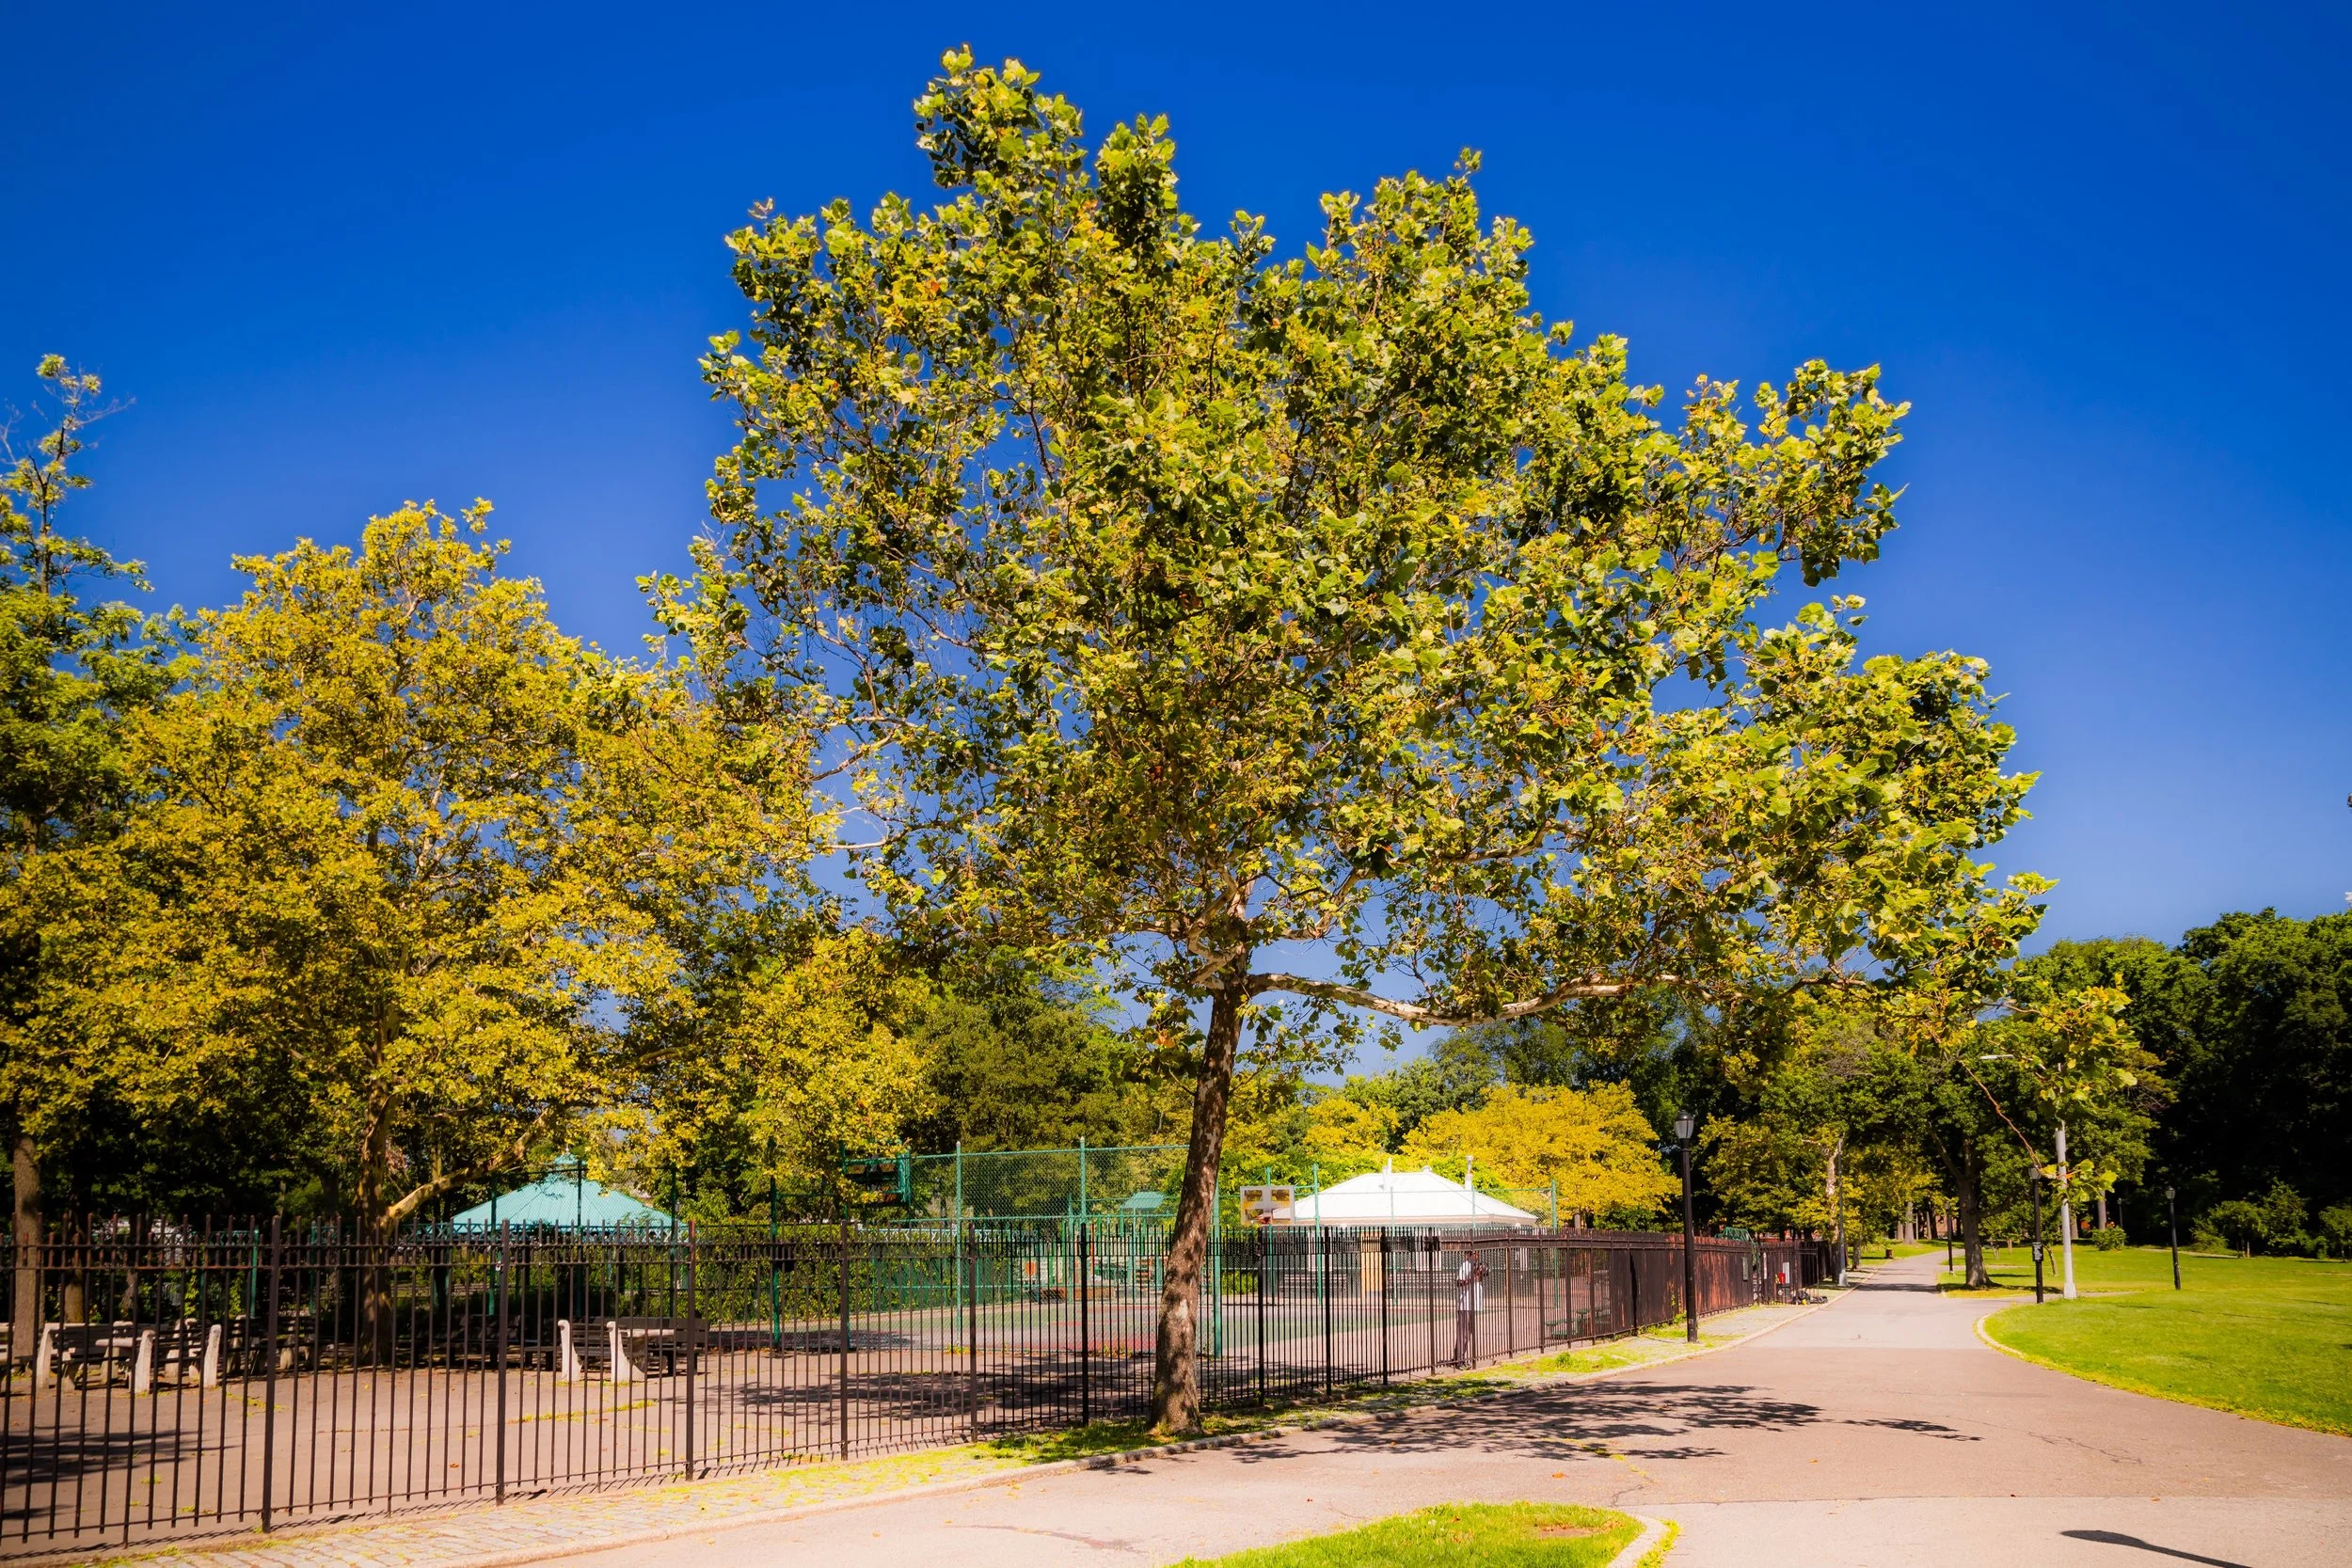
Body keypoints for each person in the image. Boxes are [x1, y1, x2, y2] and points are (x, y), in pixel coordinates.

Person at [1451, 1250, 1489, 1367]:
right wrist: (1471, 1279)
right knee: (1463, 1333)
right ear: (1468, 1255)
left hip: (1474, 1304)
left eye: (1477, 1254)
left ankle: (1458, 1358)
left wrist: (1481, 1273)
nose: (1476, 1256)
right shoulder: (1465, 1265)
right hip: (1465, 1304)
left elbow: (1481, 1277)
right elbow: (1458, 1283)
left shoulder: (1476, 1266)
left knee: (1468, 1334)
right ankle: (1459, 1361)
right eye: (1473, 1254)